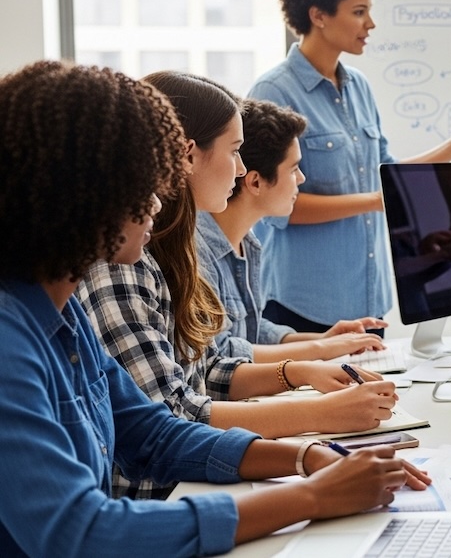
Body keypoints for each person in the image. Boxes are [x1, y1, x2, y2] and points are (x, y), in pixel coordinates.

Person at [0, 60, 429, 557]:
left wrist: (307, 457)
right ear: (85, 197)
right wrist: (311, 497)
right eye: (144, 186)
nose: (159, 204)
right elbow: (82, 532)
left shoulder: (63, 312)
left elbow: (152, 432)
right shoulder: (10, 343)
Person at [77, 71, 398, 500]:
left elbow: (204, 368)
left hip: (191, 481)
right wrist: (318, 416)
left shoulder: (175, 250)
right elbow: (172, 417)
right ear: (188, 155)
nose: (244, 168)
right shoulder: (121, 266)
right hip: (161, 495)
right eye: (234, 152)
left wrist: (300, 372)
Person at [248, 0, 451, 334]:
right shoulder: (273, 90)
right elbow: (277, 208)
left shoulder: (359, 87)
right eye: (359, 11)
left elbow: (388, 173)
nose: (370, 23)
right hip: (302, 304)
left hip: (368, 299)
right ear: (319, 15)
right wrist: (379, 200)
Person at [197, 97, 393, 363]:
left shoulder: (248, 241)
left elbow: (250, 331)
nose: (301, 179)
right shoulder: (198, 254)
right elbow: (221, 354)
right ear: (255, 182)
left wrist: (324, 340)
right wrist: (319, 351)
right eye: (293, 169)